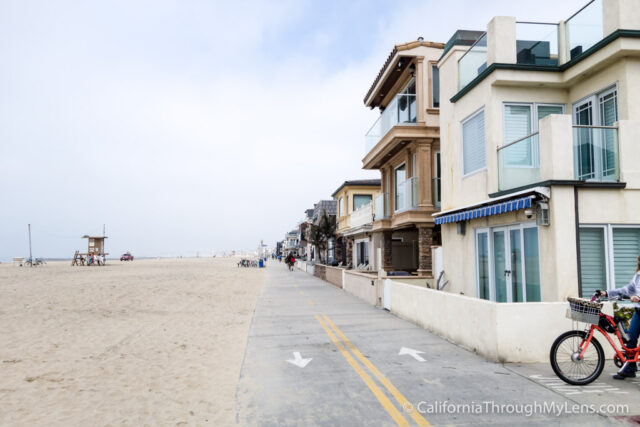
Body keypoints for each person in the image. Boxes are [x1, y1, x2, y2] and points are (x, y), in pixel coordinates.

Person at [599, 255, 640, 379]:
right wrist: (606, 293)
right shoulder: (638, 276)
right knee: (630, 339)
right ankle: (630, 368)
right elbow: (627, 290)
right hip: (639, 312)